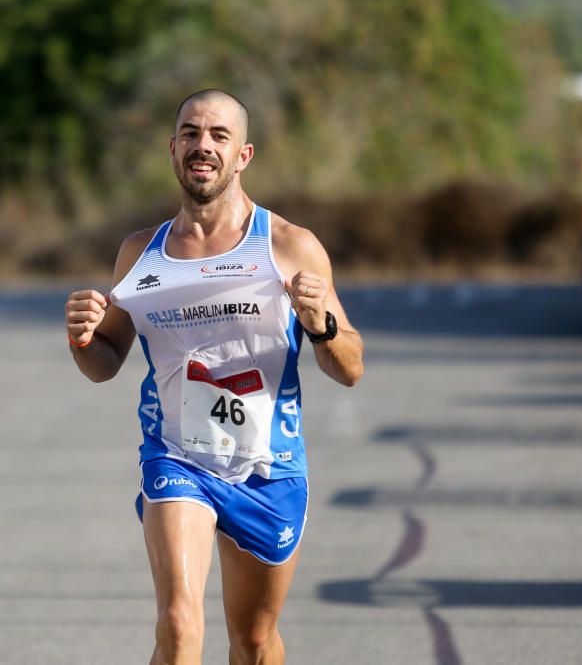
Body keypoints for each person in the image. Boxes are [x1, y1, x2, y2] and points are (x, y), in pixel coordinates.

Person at [65, 89, 364, 665]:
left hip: (267, 469)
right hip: (177, 457)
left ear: (243, 155)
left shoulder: (289, 245)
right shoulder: (140, 253)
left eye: (219, 136)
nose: (204, 146)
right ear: (172, 148)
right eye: (192, 134)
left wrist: (322, 325)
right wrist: (83, 340)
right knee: (178, 626)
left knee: (252, 643)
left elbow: (350, 366)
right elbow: (106, 360)